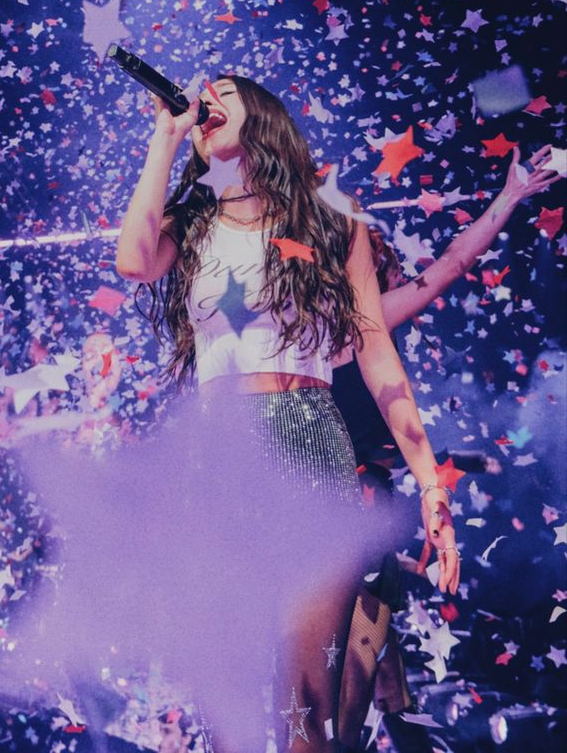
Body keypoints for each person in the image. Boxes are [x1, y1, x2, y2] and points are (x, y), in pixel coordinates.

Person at [115, 75, 459, 753]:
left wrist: (430, 482)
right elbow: (131, 260)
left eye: (220, 92)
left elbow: (376, 352)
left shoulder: (334, 219)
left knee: (308, 713)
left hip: (309, 438)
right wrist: (165, 134)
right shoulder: (191, 223)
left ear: (264, 115)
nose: (202, 100)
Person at [334, 144, 560, 750]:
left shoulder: (356, 323)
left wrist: (511, 195)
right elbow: (454, 263)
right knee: (357, 648)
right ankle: (385, 721)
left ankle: (381, 723)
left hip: (353, 499)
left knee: (366, 637)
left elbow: (455, 262)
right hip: (324, 495)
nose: (385, 274)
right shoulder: (321, 329)